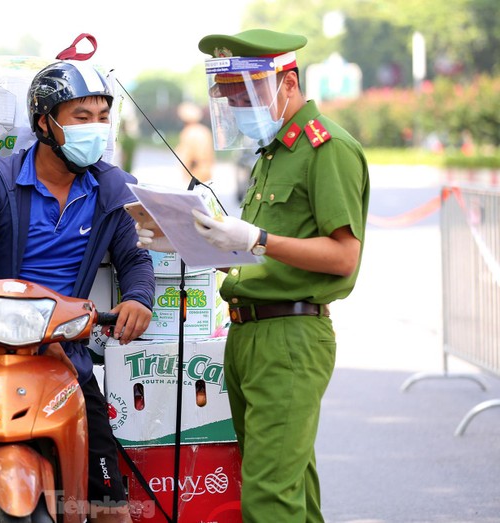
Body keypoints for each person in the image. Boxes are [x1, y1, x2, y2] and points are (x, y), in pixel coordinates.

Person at [0, 60, 156, 523]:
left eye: (102, 118)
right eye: (82, 118)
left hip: (66, 366)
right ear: (45, 122)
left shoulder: (112, 190)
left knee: (110, 511)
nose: (95, 129)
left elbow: (135, 257)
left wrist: (139, 298)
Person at [138, 29, 370, 523]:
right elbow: (266, 258)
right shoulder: (273, 152)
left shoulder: (326, 149)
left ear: (286, 83)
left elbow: (343, 255)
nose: (238, 105)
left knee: (267, 497)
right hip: (249, 334)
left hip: (289, 337)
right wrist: (191, 242)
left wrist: (255, 239)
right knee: (289, 489)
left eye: (247, 93)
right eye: (231, 95)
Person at [174, 101, 215, 185]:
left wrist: (185, 173)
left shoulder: (187, 133)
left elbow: (186, 156)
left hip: (195, 171)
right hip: (207, 170)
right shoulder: (204, 130)